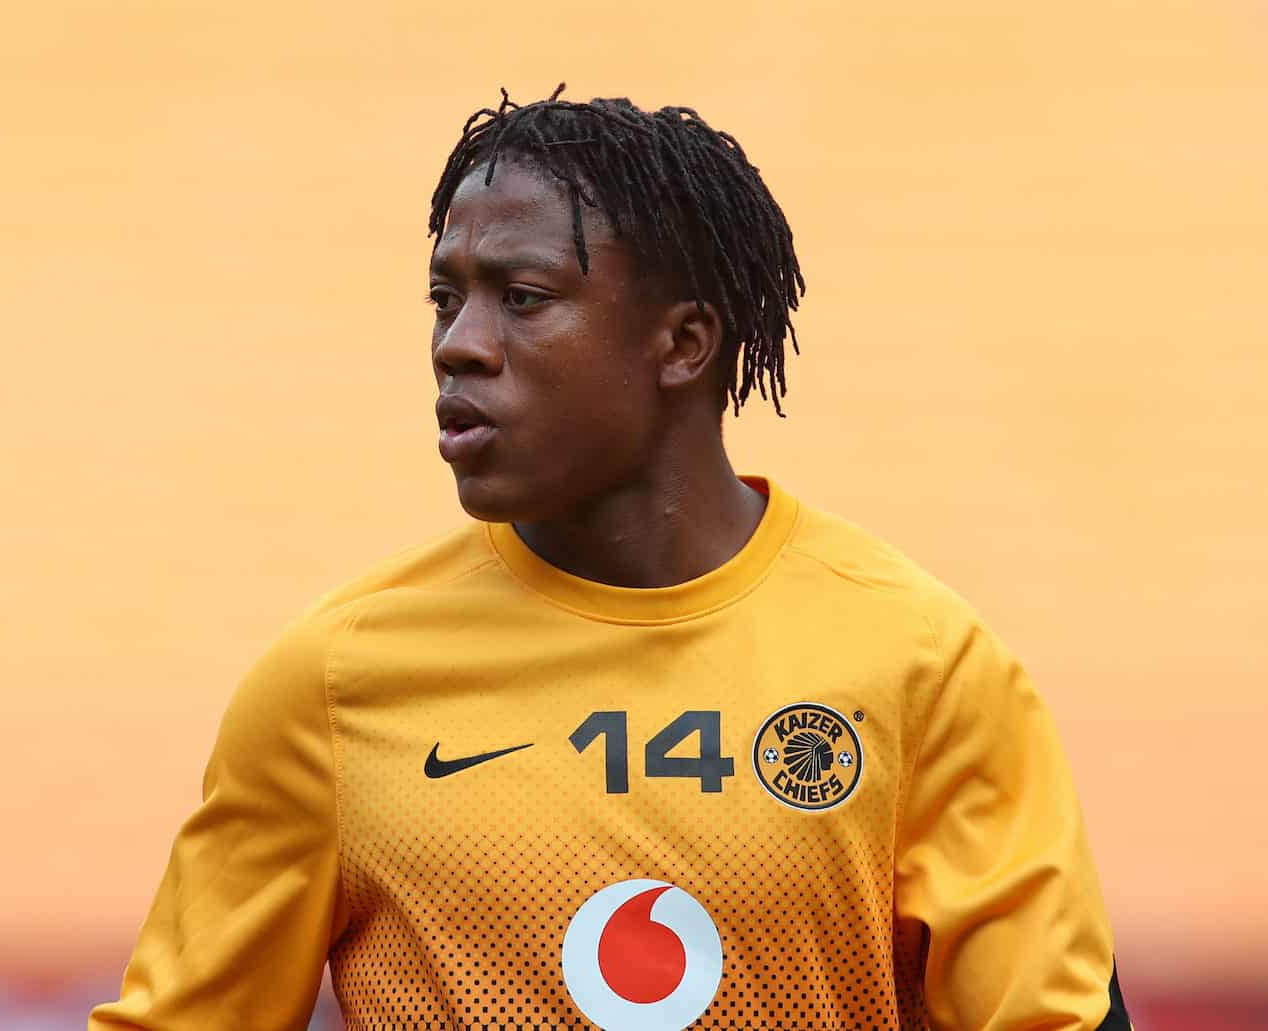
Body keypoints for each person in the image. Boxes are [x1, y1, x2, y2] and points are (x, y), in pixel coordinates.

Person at [90, 85, 1129, 1031]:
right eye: (445, 298)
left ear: (683, 344)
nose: (458, 343)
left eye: (522, 296)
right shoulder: (334, 681)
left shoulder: (922, 665)